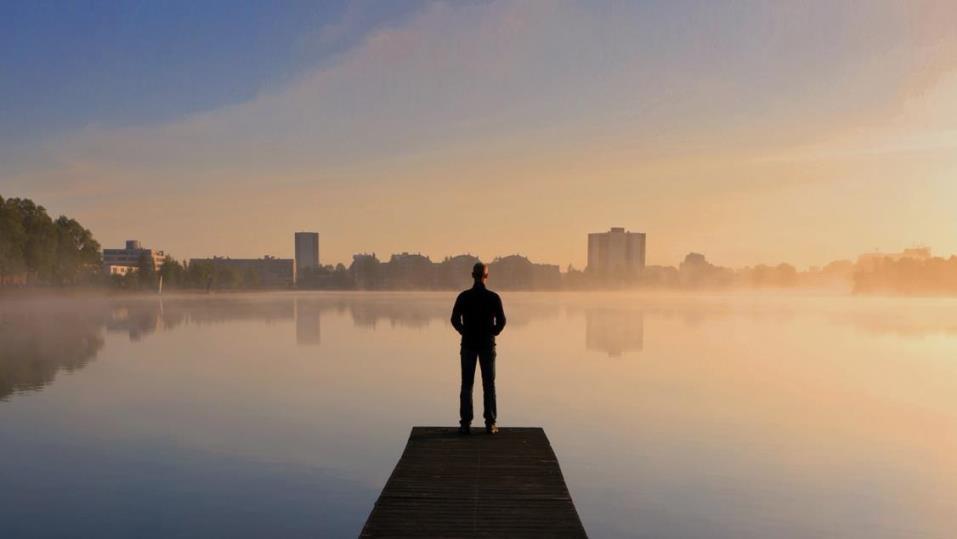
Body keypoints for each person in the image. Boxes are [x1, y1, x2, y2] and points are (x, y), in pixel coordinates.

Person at [450, 262, 506, 435]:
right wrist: (492, 333)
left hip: (468, 345)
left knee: (467, 384)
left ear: (472, 275)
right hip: (487, 346)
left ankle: (465, 424)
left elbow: (454, 319)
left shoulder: (464, 297)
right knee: (489, 384)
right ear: (486, 276)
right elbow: (502, 321)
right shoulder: (493, 297)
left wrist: (463, 331)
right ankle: (490, 424)